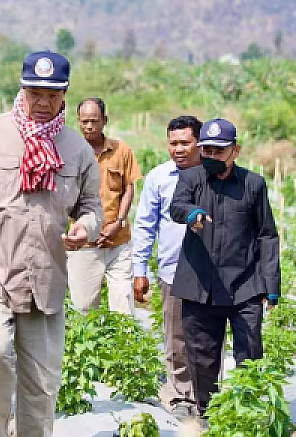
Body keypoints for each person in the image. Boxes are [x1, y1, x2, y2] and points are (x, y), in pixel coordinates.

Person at [0, 51, 102, 437]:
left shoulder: (77, 149)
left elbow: (91, 207)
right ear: (22, 90)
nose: (43, 102)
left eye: (52, 95)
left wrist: (85, 227)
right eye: (35, 94)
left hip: (44, 275)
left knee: (41, 381)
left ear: (65, 94)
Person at [169, 118, 280, 417]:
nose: (212, 156)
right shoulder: (191, 178)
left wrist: (270, 284)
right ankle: (209, 415)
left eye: (219, 151)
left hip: (244, 284)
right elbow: (177, 206)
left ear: (235, 151)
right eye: (206, 150)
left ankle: (248, 416)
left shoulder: (253, 184)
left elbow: (267, 235)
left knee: (250, 355)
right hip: (200, 285)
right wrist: (191, 213)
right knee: (202, 358)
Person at [131, 115, 203, 417]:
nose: (179, 149)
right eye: (173, 143)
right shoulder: (159, 177)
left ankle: (207, 396)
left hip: (211, 273)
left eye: (185, 142)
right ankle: (182, 396)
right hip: (172, 270)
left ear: (199, 142)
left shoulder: (214, 175)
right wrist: (139, 270)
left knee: (207, 337)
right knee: (175, 338)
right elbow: (145, 225)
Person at [68, 97, 142, 313]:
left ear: (105, 120)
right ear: (78, 121)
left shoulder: (122, 151)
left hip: (118, 242)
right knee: (84, 309)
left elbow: (128, 188)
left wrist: (119, 222)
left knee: (123, 305)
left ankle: (124, 338)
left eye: (94, 121)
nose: (89, 126)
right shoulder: (70, 153)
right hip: (85, 244)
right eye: (84, 121)